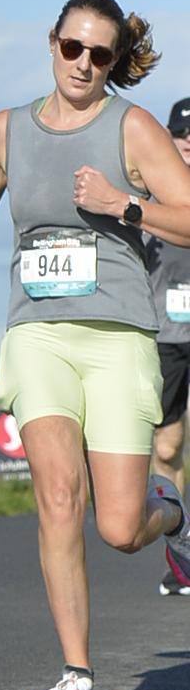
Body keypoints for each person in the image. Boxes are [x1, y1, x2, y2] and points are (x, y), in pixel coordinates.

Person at [0, 0, 190, 690]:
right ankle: (75, 673)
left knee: (119, 528)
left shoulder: (132, 128)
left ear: (114, 62)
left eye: (99, 54)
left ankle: (171, 509)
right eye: (72, 47)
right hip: (38, 334)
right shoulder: (7, 129)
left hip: (117, 337)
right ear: (51, 43)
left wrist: (124, 205)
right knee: (58, 497)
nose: (82, 63)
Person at [148, 97, 190, 595]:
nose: (189, 143)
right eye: (182, 134)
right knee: (167, 445)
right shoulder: (150, 193)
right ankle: (182, 553)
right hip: (168, 333)